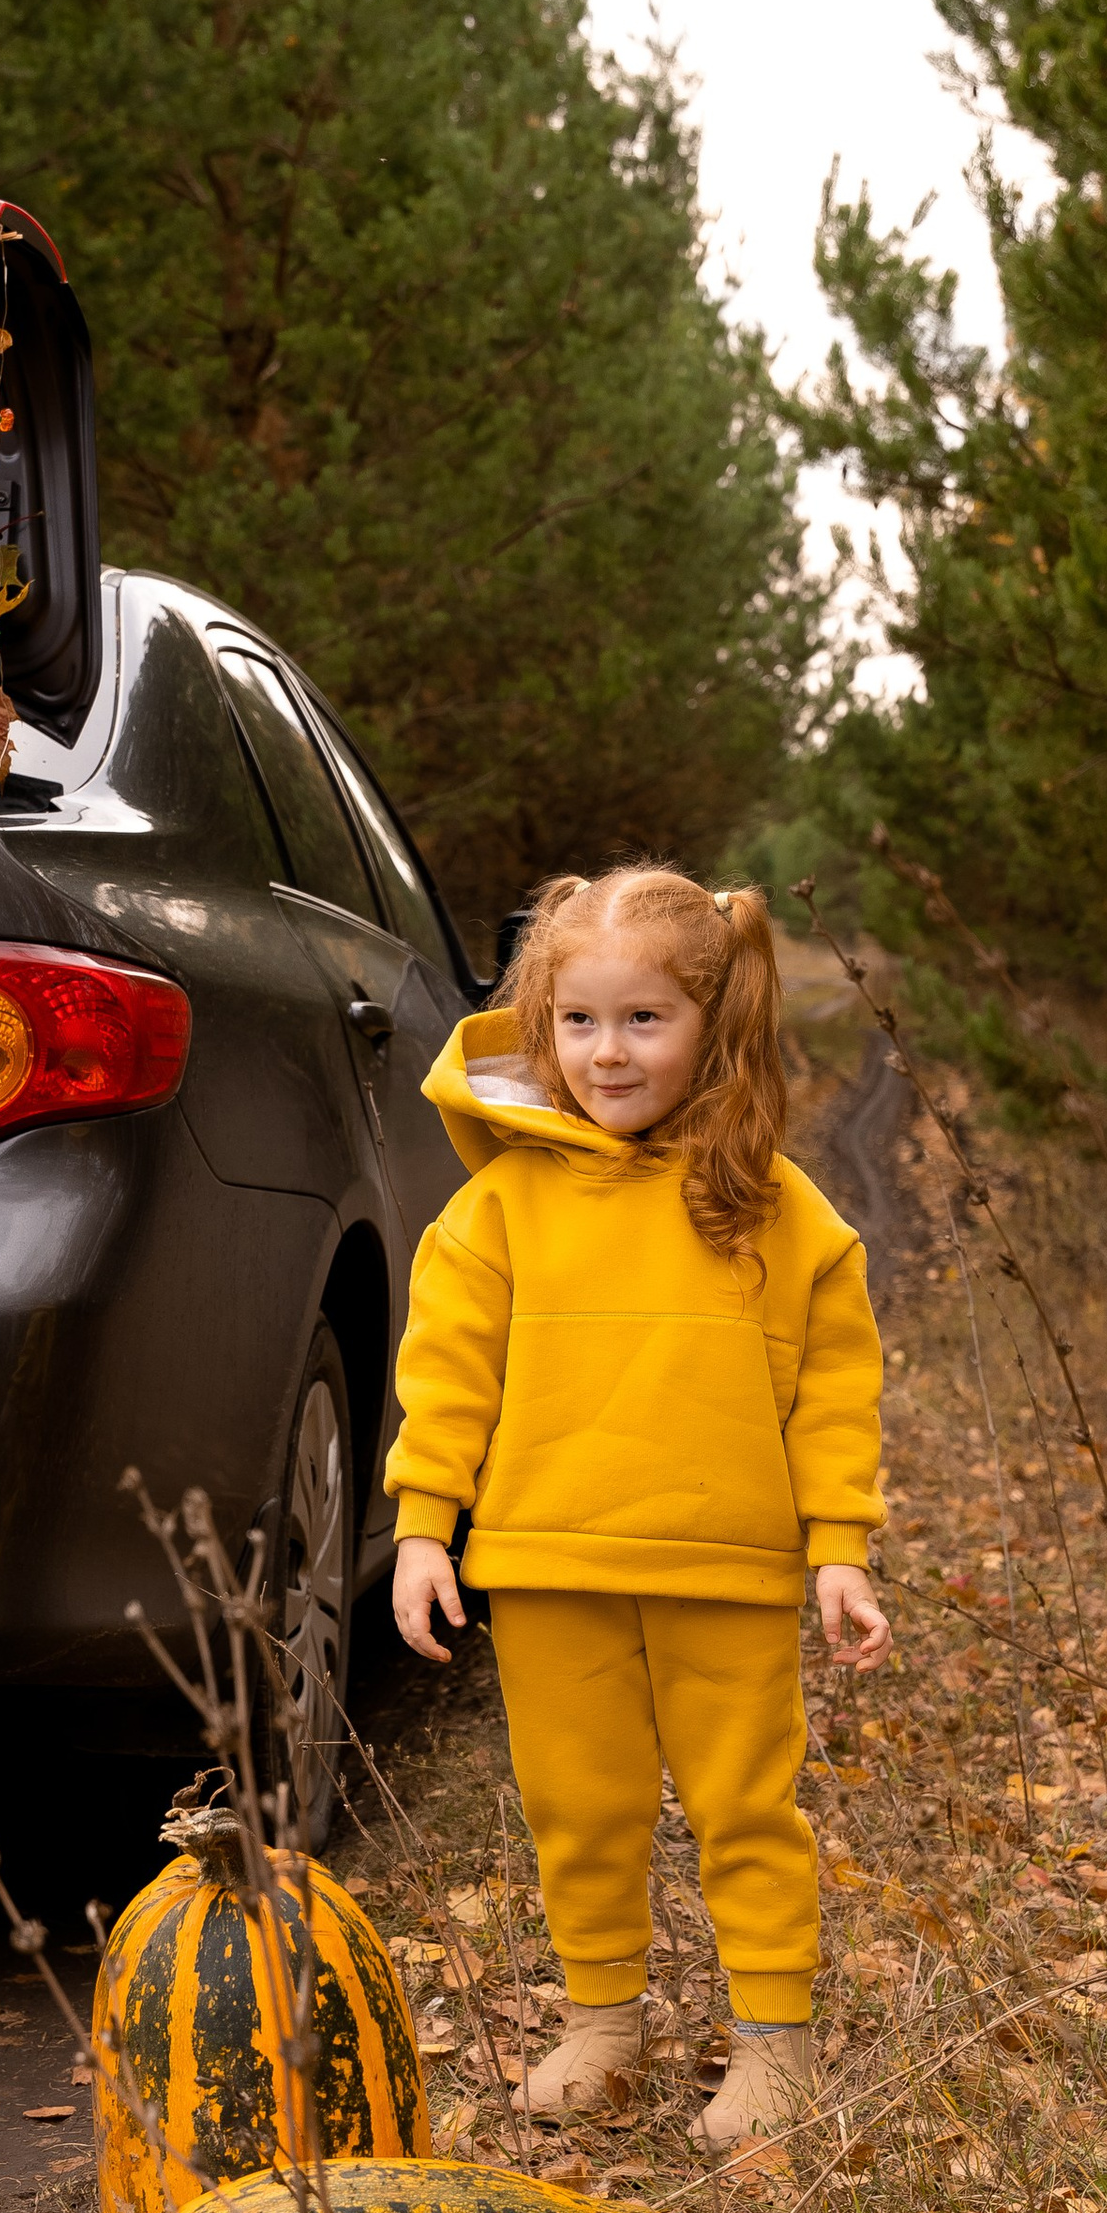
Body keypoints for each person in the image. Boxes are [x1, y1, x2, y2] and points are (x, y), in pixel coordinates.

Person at [386, 864, 890, 2144]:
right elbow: (446, 1380)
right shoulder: (498, 1206)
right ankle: (603, 2023)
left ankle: (773, 2045)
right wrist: (423, 1527)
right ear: (542, 1027)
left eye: (644, 1020)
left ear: (712, 1026)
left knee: (744, 1811)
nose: (607, 1052)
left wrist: (839, 1547)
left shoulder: (776, 1207)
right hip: (549, 1563)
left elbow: (834, 1390)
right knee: (580, 1809)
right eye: (579, 1021)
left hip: (726, 1568)